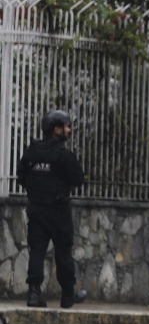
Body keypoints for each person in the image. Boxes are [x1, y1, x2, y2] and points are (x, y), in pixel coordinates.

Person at [16, 110, 88, 308]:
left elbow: (21, 176)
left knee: (37, 251)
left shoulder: (32, 151)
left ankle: (33, 294)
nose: (68, 130)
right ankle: (67, 295)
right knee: (63, 251)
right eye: (65, 126)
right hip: (58, 212)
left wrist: (36, 191)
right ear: (56, 129)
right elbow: (78, 179)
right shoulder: (63, 155)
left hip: (36, 210)